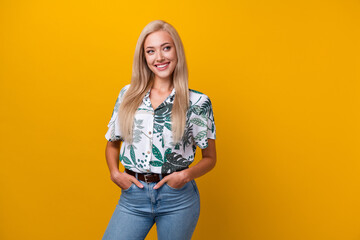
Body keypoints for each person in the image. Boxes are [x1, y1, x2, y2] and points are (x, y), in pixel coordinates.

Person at [102, 20, 217, 240]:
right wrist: (115, 174)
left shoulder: (199, 102)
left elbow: (210, 158)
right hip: (133, 197)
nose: (160, 57)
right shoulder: (128, 95)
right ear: (144, 58)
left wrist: (185, 175)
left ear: (177, 51)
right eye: (151, 51)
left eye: (166, 48)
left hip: (178, 199)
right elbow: (112, 143)